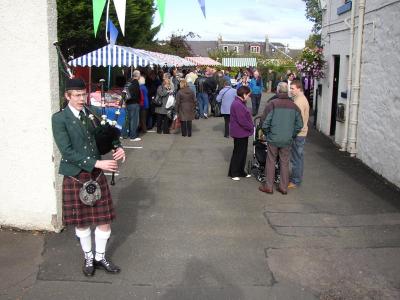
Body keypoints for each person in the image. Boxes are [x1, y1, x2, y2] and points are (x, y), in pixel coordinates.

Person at [51, 78, 126, 277]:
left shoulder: (91, 113)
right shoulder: (59, 119)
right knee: (82, 222)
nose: (82, 99)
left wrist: (118, 147)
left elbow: (107, 135)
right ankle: (88, 257)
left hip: (96, 175)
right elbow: (66, 151)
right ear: (67, 96)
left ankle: (100, 257)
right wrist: (97, 163)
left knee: (104, 221)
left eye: (84, 94)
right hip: (76, 175)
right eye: (77, 95)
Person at [259, 82, 303, 195]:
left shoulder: (272, 104)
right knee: (284, 163)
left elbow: (264, 123)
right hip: (287, 139)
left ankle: (269, 186)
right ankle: (283, 187)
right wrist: (292, 135)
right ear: (287, 91)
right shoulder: (294, 106)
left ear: (277, 91)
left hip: (273, 138)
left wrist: (267, 134)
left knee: (271, 161)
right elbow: (299, 124)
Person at [228, 86, 254, 181]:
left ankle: (240, 171)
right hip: (239, 132)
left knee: (242, 153)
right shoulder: (238, 104)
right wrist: (251, 127)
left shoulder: (239, 103)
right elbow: (242, 120)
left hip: (242, 132)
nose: (248, 97)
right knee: (238, 153)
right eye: (248, 95)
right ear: (243, 94)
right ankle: (234, 172)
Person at [288, 80, 310, 188]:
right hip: (301, 133)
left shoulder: (299, 101)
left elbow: (297, 121)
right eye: (290, 88)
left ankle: (295, 181)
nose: (290, 90)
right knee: (298, 157)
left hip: (298, 134)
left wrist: (292, 133)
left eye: (292, 88)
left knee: (296, 158)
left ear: (299, 88)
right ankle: (297, 179)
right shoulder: (299, 99)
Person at [123, 70, 141, 141]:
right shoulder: (136, 82)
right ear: (138, 76)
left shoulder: (129, 81)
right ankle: (133, 136)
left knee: (127, 119)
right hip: (134, 103)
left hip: (127, 102)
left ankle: (124, 135)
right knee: (134, 120)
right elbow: (137, 94)